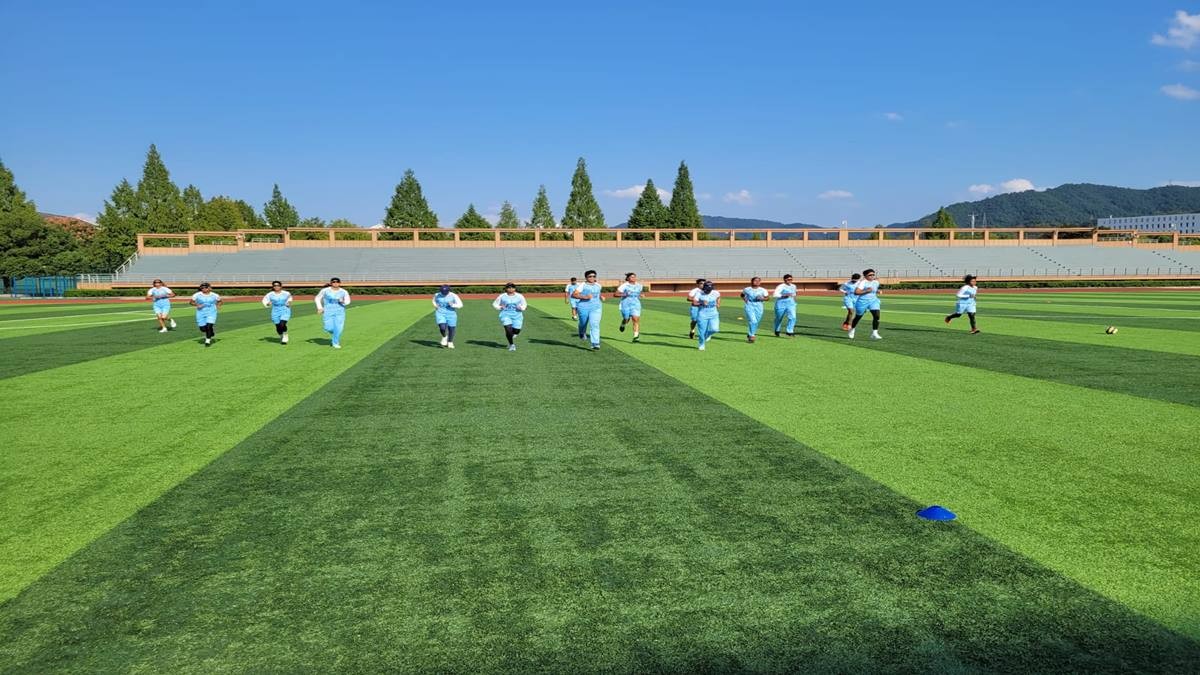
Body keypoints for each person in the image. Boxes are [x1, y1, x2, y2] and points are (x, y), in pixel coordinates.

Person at [315, 277, 351, 349]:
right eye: (333, 282)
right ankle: (335, 333)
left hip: (340, 311)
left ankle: (335, 343)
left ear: (339, 283)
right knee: (328, 328)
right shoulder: (325, 290)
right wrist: (320, 308)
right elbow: (317, 298)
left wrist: (342, 302)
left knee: (339, 328)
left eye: (337, 282)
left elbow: (348, 301)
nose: (335, 283)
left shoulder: (344, 291)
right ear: (331, 283)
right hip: (328, 311)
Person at [573, 269, 604, 351]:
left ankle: (595, 343)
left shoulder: (598, 285)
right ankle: (581, 332)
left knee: (595, 324)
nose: (592, 278)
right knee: (583, 323)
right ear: (586, 278)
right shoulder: (582, 285)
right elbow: (574, 295)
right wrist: (585, 297)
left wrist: (601, 297)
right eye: (590, 276)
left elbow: (598, 293)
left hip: (596, 307)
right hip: (583, 307)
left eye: (594, 276)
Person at [493, 282, 528, 351]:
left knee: (516, 331)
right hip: (505, 314)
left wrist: (521, 308)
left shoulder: (520, 296)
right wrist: (500, 307)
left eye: (512, 287)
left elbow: (524, 304)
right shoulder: (502, 296)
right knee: (508, 329)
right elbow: (495, 304)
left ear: (515, 288)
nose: (511, 289)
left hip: (517, 315)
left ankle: (512, 335)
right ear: (506, 289)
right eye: (509, 288)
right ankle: (511, 345)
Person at [848, 269, 882, 340]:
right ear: (865, 276)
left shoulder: (876, 282)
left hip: (873, 301)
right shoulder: (863, 282)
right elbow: (856, 292)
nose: (872, 276)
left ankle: (874, 333)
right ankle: (852, 329)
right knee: (858, 317)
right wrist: (866, 291)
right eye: (870, 275)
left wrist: (878, 291)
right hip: (862, 302)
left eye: (873, 274)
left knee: (877, 316)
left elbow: (874, 290)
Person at [189, 282, 222, 346]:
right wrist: (197, 305)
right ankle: (211, 331)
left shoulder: (215, 295)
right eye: (202, 288)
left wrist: (218, 306)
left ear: (209, 288)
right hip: (200, 312)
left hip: (211, 312)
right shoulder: (197, 295)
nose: (204, 289)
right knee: (203, 329)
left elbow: (220, 301)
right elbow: (191, 302)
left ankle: (207, 341)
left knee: (209, 326)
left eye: (206, 287)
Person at [433, 284, 464, 348]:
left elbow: (460, 305)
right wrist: (436, 305)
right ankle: (444, 337)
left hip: (451, 314)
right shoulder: (437, 295)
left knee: (451, 328)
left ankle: (450, 342)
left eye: (445, 292)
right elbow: (434, 301)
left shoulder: (454, 295)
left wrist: (452, 305)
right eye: (442, 292)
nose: (443, 294)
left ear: (449, 291)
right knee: (442, 327)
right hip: (440, 313)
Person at [615, 272, 643, 342]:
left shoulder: (639, 286)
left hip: (636, 304)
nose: (634, 278)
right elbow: (615, 294)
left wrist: (641, 295)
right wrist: (624, 295)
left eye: (634, 277)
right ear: (628, 278)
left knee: (635, 319)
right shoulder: (624, 285)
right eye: (632, 277)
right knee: (626, 319)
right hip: (625, 304)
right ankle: (623, 324)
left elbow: (639, 293)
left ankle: (636, 336)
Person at [693, 281, 721, 351]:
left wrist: (718, 303)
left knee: (715, 329)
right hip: (703, 314)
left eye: (710, 289)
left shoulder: (716, 293)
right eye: (707, 289)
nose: (708, 291)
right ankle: (701, 344)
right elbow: (694, 302)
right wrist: (701, 303)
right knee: (702, 331)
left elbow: (718, 297)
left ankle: (708, 334)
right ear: (704, 288)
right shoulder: (699, 293)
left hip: (713, 313)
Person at [740, 277, 768, 342]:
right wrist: (745, 299)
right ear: (751, 281)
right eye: (755, 281)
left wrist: (762, 298)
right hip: (749, 305)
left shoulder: (763, 290)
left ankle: (750, 333)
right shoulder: (747, 289)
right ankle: (752, 335)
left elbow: (767, 298)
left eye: (758, 281)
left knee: (757, 321)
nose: (757, 282)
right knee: (753, 320)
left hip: (759, 305)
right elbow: (742, 295)